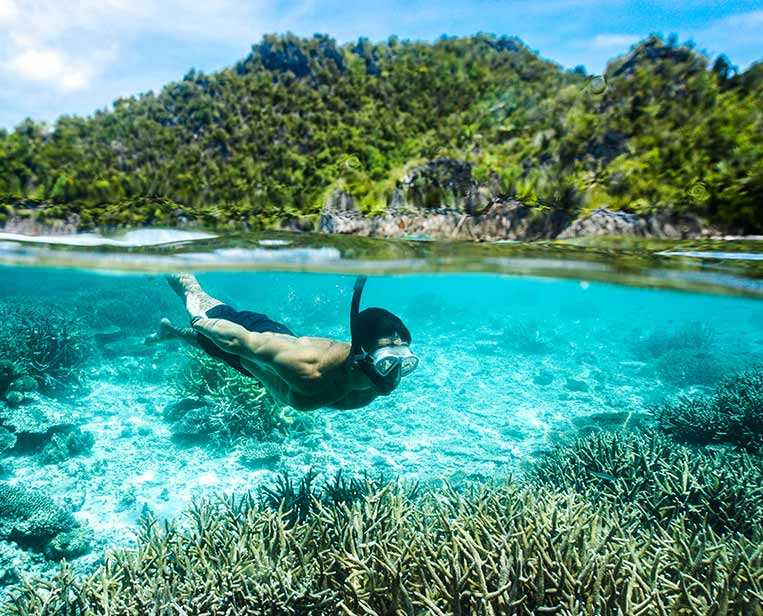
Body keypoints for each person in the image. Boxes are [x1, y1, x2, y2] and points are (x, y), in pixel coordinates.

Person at [146, 274, 418, 411]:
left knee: (215, 352)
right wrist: (199, 319)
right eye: (386, 362)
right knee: (195, 297)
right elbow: (239, 340)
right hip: (258, 336)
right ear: (359, 357)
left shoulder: (369, 383)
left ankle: (171, 333)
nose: (394, 374)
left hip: (270, 372)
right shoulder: (306, 367)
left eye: (403, 363)